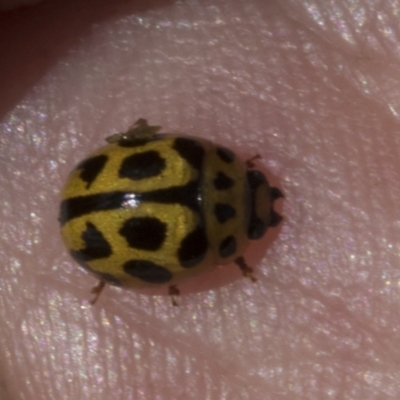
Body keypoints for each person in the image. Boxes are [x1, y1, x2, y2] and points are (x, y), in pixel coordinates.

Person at [0, 0, 397, 398]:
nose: (269, 197)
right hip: (92, 212)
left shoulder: (201, 163)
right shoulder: (203, 203)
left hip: (91, 200)